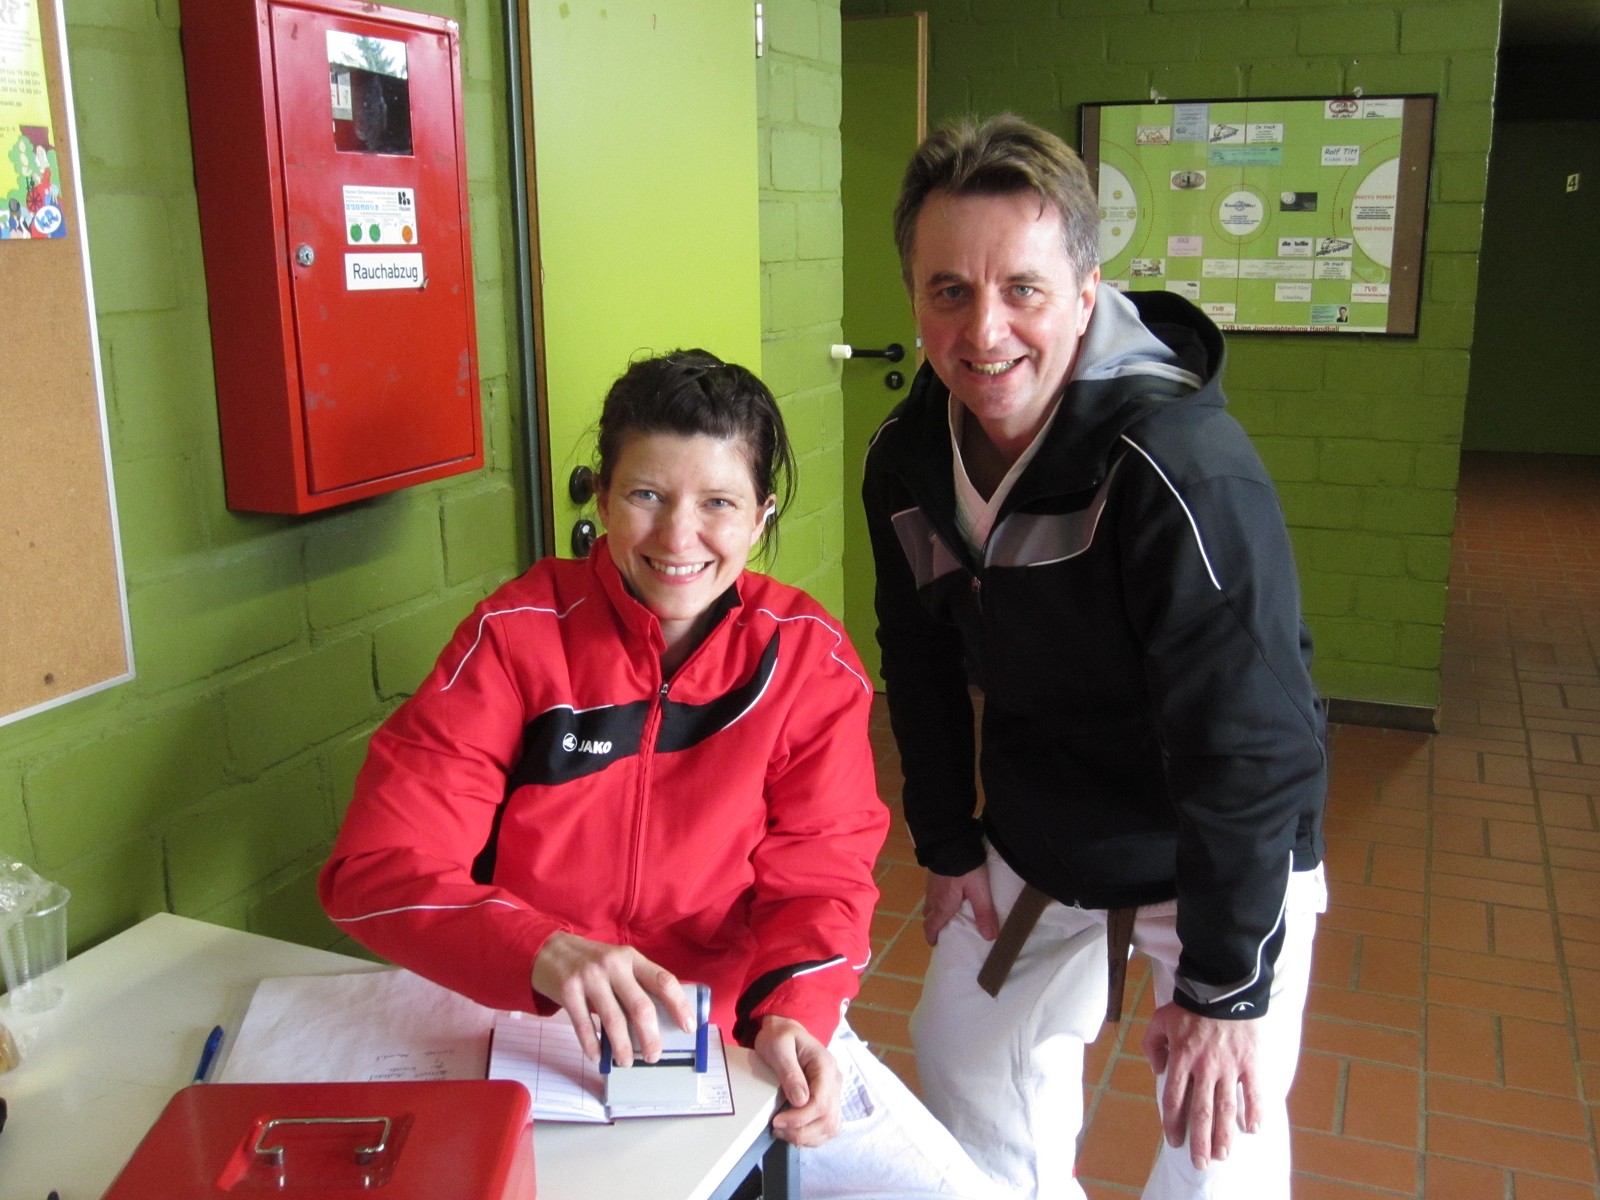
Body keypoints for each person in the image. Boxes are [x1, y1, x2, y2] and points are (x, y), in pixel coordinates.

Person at [321, 349, 999, 1198]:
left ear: (761, 516)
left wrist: (796, 1013)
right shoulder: (517, 634)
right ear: (603, 498)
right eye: (647, 495)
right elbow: (378, 869)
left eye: (718, 502)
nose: (679, 538)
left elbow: (823, 874)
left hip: (733, 1030)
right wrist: (543, 951)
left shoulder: (804, 658)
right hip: (536, 1017)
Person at [862, 115, 1329, 1199]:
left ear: (1085, 293)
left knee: (1218, 1141)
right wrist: (947, 840)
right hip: (1047, 827)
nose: (984, 332)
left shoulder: (1179, 467)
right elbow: (917, 659)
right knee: (963, 1053)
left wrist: (1224, 991)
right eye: (948, 291)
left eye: (1022, 289)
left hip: (1214, 847)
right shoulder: (908, 459)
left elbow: (1252, 742)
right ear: (916, 299)